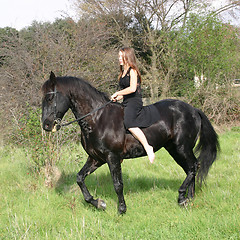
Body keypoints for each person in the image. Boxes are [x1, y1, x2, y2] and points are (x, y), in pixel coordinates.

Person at [111, 47, 155, 163]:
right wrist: (117, 97)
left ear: (128, 57)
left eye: (121, 56)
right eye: (119, 56)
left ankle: (147, 147)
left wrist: (118, 93)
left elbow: (132, 88)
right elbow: (125, 93)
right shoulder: (122, 72)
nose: (119, 58)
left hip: (134, 102)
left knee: (129, 123)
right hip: (126, 101)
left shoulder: (132, 70)